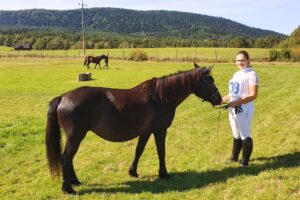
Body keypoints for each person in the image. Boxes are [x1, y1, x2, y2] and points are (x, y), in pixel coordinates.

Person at [222, 50, 259, 167]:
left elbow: (253, 95)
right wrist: (221, 99)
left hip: (244, 108)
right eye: (238, 60)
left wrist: (237, 102)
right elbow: (232, 93)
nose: (240, 62)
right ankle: (234, 157)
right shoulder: (236, 74)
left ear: (248, 61)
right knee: (236, 134)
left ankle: (245, 162)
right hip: (233, 108)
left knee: (245, 134)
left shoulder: (251, 74)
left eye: (243, 60)